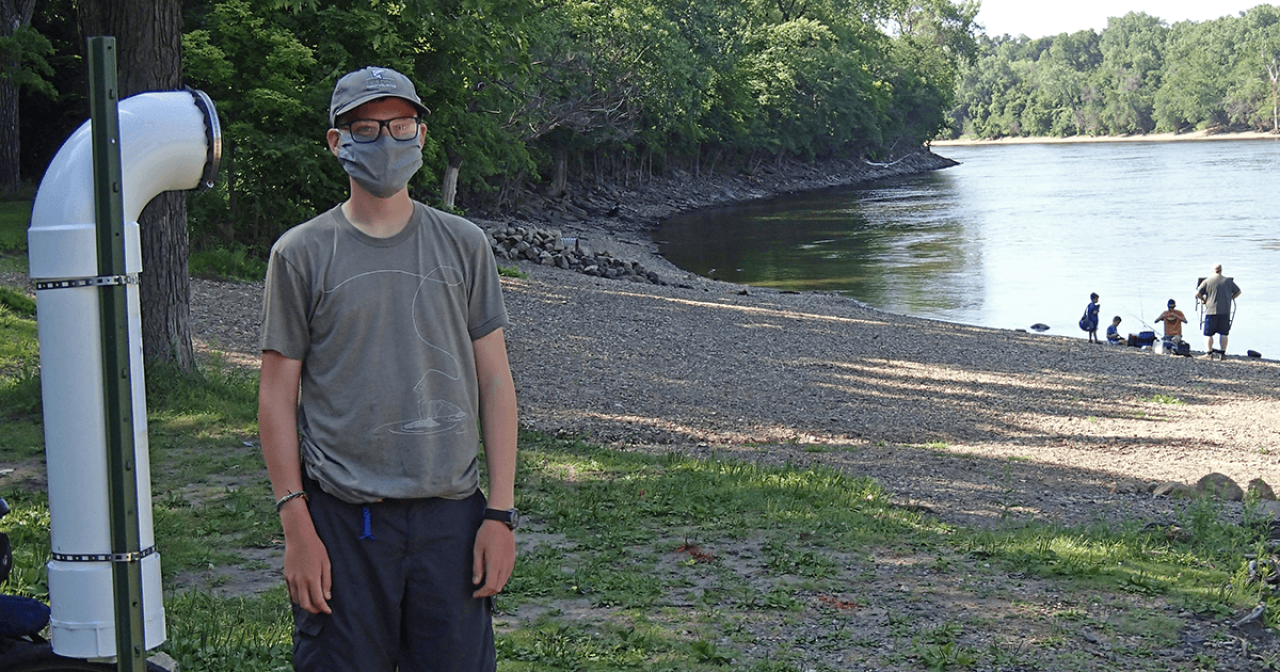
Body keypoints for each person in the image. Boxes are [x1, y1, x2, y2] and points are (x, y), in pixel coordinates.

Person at [258, 66, 518, 672]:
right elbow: (275, 397)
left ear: (421, 136)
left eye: (401, 126)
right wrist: (297, 524)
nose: (387, 142)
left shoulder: (464, 244)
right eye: (369, 128)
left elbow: (496, 383)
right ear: (337, 141)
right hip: (343, 524)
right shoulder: (299, 254)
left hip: (451, 519)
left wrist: (500, 515)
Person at [1195, 263, 1242, 358]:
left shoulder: (1207, 281)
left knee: (1208, 333)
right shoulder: (1228, 281)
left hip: (1211, 310)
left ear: (1213, 270)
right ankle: (1222, 353)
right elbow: (1238, 292)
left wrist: (1203, 299)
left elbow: (1197, 293)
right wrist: (1231, 298)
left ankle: (1209, 353)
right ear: (1221, 270)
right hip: (1225, 311)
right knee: (1224, 333)